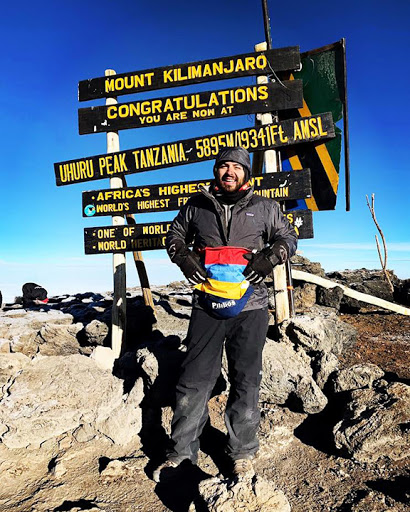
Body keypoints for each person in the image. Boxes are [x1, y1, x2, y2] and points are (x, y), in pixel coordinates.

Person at [153, 146, 297, 482]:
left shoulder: (266, 207)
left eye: (236, 167)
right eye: (223, 167)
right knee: (193, 382)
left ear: (247, 173)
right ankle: (180, 454)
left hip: (252, 308)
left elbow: (288, 238)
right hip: (206, 306)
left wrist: (272, 256)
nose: (228, 172)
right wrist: (184, 257)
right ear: (215, 172)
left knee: (246, 382)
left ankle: (241, 453)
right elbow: (173, 235)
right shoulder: (197, 205)